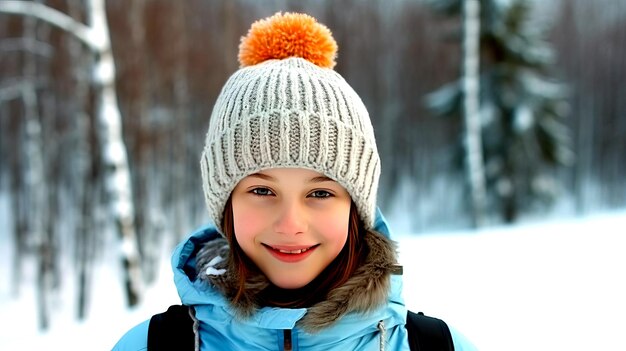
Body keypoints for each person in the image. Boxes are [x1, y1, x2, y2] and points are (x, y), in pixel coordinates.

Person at [113, 12, 477, 351]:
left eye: (320, 192)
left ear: (355, 207)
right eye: (261, 190)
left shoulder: (437, 346)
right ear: (226, 205)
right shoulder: (152, 345)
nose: (290, 224)